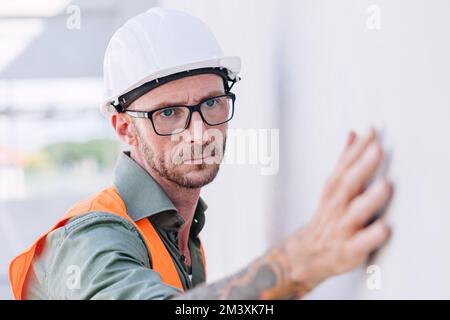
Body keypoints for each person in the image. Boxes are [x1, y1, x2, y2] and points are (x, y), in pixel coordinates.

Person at [9, 7, 392, 300]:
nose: (198, 133)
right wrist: (297, 263)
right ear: (125, 127)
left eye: (211, 103)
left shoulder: (180, 233)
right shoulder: (91, 239)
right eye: (168, 113)